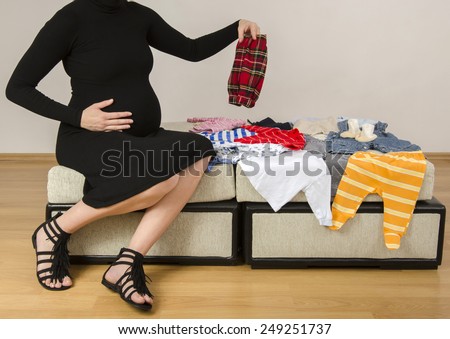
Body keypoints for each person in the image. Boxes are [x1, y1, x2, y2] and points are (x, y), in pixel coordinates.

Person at [5, 0, 260, 311]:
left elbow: (191, 50)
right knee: (161, 181)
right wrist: (79, 117)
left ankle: (126, 264)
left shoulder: (139, 14)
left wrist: (235, 29)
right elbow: (17, 87)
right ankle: (53, 231)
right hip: (88, 136)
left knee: (200, 150)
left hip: (142, 137)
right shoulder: (70, 18)